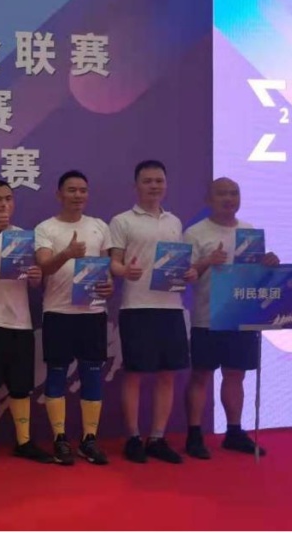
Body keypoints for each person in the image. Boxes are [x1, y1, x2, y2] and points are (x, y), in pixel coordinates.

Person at [182, 177, 279, 459]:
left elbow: (256, 277)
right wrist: (207, 261)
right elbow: (184, 275)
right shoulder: (195, 233)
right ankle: (194, 434)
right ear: (208, 199)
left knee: (236, 374)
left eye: (234, 193)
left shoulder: (249, 232)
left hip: (240, 316)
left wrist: (268, 263)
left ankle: (234, 432)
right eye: (222, 194)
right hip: (207, 316)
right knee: (201, 375)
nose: (228, 198)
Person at [108, 160, 197, 464]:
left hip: (171, 307)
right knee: (134, 374)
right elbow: (114, 262)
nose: (154, 186)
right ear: (136, 186)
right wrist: (124, 271)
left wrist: (189, 273)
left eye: (159, 180)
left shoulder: (174, 222)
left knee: (167, 375)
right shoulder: (122, 221)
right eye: (147, 181)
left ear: (166, 185)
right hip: (137, 307)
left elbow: (179, 262)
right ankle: (133, 437)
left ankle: (157, 437)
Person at [0, 180, 53, 467]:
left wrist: (36, 277)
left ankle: (24, 442)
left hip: (20, 322)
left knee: (21, 386)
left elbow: (34, 279)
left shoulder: (25, 237)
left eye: (8, 198)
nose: (4, 204)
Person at [33, 171, 114, 466]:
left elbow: (105, 270)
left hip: (93, 313)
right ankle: (60, 439)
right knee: (56, 374)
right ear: (59, 194)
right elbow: (43, 267)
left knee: (92, 374)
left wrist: (109, 286)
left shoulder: (99, 226)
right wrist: (67, 253)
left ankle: (89, 440)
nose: (78, 195)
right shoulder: (46, 228)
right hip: (58, 312)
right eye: (71, 190)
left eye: (83, 190)